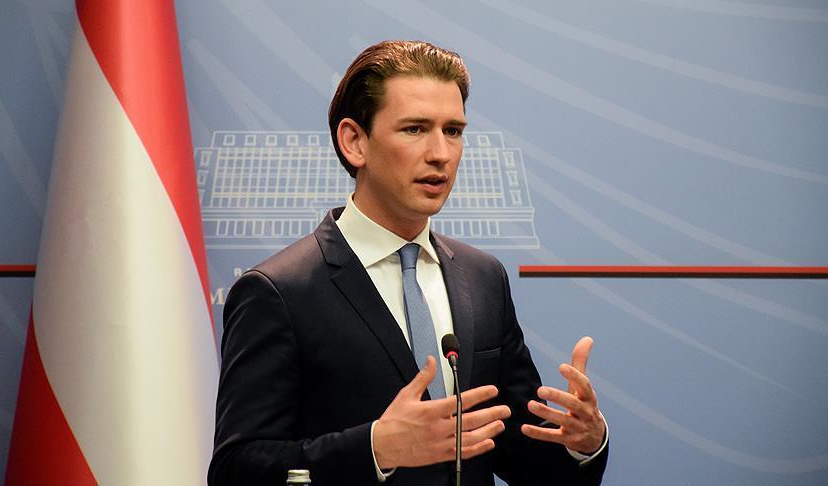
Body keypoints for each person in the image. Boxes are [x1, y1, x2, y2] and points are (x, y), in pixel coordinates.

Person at [208, 40, 608, 485]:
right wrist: (374, 449)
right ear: (354, 142)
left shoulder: (482, 278)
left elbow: (521, 452)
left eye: (453, 131)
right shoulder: (280, 291)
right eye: (415, 129)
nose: (441, 153)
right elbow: (236, 470)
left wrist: (582, 443)